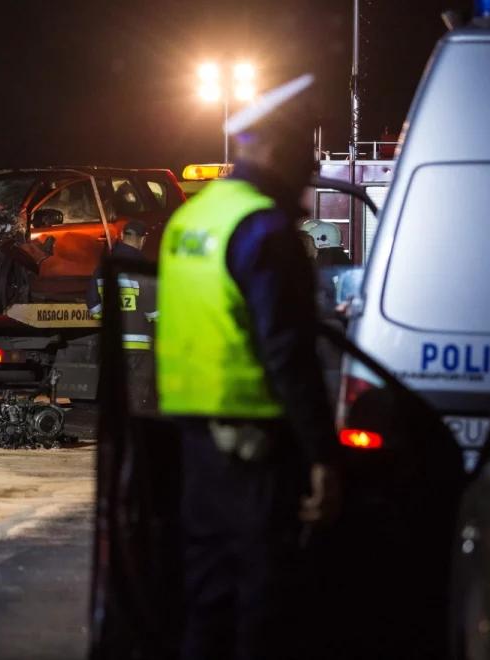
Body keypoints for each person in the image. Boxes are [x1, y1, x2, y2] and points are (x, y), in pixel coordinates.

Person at [155, 74, 341, 659]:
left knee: (208, 594)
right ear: (274, 148)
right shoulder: (263, 228)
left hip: (193, 439)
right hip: (254, 442)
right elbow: (288, 352)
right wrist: (322, 456)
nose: (311, 163)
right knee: (265, 599)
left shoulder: (194, 218)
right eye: (303, 147)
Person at [88, 220, 157, 412]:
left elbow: (93, 305)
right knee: (136, 398)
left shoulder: (103, 268)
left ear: (123, 237)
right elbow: (154, 310)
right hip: (138, 347)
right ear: (141, 240)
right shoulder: (141, 267)